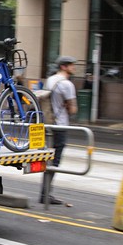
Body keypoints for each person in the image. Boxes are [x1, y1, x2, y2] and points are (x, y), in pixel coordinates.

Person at [40, 56, 78, 205]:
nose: (73, 68)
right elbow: (73, 109)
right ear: (64, 67)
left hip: (49, 124)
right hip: (60, 125)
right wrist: (70, 108)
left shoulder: (51, 80)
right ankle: (46, 194)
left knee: (49, 159)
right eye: (71, 65)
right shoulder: (67, 84)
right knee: (55, 160)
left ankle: (45, 193)